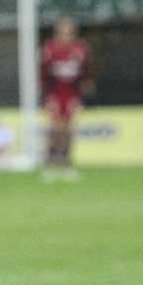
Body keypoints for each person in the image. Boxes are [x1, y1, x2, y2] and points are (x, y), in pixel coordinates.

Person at [40, 17, 93, 176]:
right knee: (56, 128)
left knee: (69, 128)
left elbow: (87, 71)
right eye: (63, 33)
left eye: (69, 33)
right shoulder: (49, 50)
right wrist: (45, 96)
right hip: (55, 93)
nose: (66, 37)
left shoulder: (81, 50)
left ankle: (67, 162)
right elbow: (43, 74)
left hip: (71, 94)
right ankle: (50, 162)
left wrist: (85, 86)